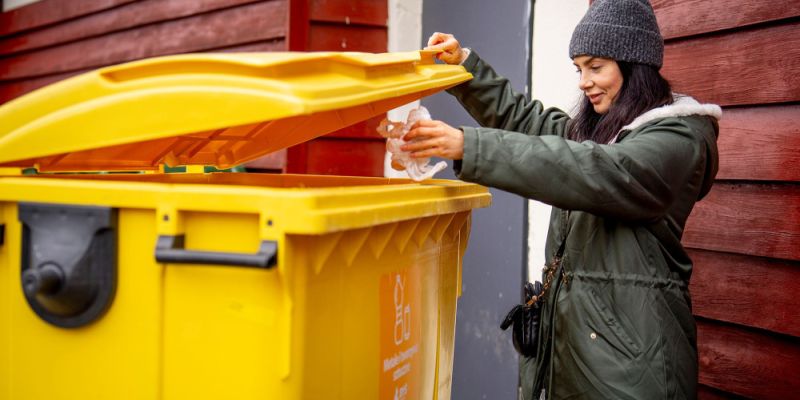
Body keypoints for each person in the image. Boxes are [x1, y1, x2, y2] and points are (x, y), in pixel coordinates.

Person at [401, 0, 720, 398]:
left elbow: (597, 170)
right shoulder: (605, 130)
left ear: (634, 65)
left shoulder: (677, 140)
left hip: (632, 368)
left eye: (596, 66)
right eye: (579, 69)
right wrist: (465, 69)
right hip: (579, 351)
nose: (584, 82)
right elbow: (530, 123)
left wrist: (469, 146)